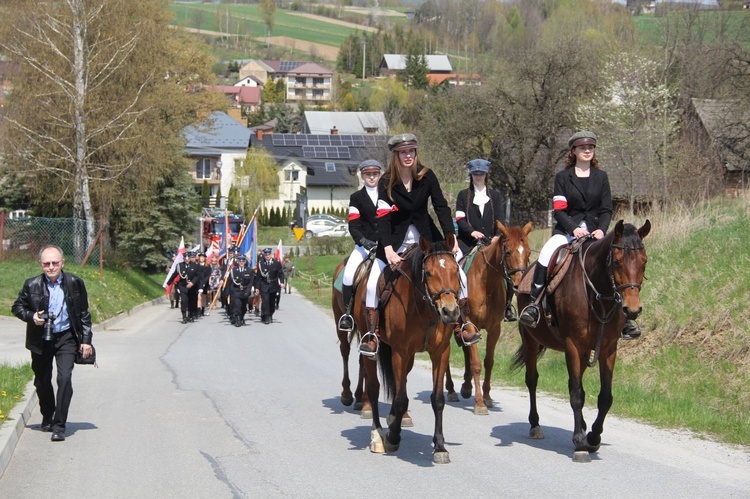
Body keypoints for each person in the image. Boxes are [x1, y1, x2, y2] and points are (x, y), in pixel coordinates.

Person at [359, 133, 481, 356]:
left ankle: (462, 325)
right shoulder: (386, 181)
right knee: (371, 282)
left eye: (411, 151)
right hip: (395, 242)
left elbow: (441, 207)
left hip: (428, 240)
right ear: (396, 155)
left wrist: (449, 237)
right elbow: (383, 217)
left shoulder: (427, 176)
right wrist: (386, 249)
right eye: (403, 152)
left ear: (416, 153)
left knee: (460, 276)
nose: (408, 155)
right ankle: (372, 334)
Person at [518, 131, 640, 340]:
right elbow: (559, 211)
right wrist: (574, 228)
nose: (587, 151)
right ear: (573, 151)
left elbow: (606, 209)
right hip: (567, 232)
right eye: (582, 148)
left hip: (595, 233)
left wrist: (601, 229)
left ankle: (625, 319)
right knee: (546, 254)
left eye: (590, 147)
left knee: (615, 264)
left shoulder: (601, 177)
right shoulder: (563, 178)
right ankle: (534, 305)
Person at [11, 245, 94, 442]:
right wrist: (33, 317)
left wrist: (86, 341)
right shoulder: (31, 284)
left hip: (66, 337)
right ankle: (48, 415)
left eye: (55, 263)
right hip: (41, 339)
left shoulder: (74, 283)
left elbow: (83, 313)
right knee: (42, 380)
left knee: (64, 379)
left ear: (62, 263)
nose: (51, 267)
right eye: (46, 263)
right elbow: (17, 307)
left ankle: (59, 425)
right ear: (41, 264)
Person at [455, 158, 517, 322]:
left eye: (481, 173)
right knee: (454, 265)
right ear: (471, 174)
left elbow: (500, 219)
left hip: (491, 242)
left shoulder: (495, 196)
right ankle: (456, 305)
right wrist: (472, 232)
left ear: (486, 174)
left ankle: (508, 306)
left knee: (507, 267)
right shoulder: (463, 195)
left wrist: (497, 236)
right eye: (475, 174)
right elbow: (460, 219)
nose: (478, 176)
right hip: (467, 242)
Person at [338, 159, 382, 332]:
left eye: (375, 174)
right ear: (362, 176)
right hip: (365, 246)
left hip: (386, 246)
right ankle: (348, 314)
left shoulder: (388, 194)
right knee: (348, 275)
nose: (372, 177)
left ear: (379, 175)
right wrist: (364, 242)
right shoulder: (356, 198)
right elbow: (353, 225)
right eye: (368, 174)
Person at [254, 247, 285, 324]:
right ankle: (267, 316)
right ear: (264, 255)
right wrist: (257, 287)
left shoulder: (276, 263)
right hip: (264, 285)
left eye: (269, 254)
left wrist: (281, 282)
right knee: (265, 301)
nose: (267, 256)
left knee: (272, 302)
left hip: (273, 285)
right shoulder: (261, 264)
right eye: (266, 255)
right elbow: (258, 277)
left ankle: (270, 313)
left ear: (271, 255)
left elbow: (281, 274)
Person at [227, 253, 254, 326]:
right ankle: (238, 319)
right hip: (236, 291)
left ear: (245, 262)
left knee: (244, 307)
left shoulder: (249, 270)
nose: (241, 262)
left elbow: (250, 283)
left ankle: (241, 317)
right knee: (237, 305)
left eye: (243, 261)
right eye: (240, 261)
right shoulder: (233, 270)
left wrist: (248, 291)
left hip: (245, 291)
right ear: (237, 262)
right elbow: (230, 282)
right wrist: (227, 292)